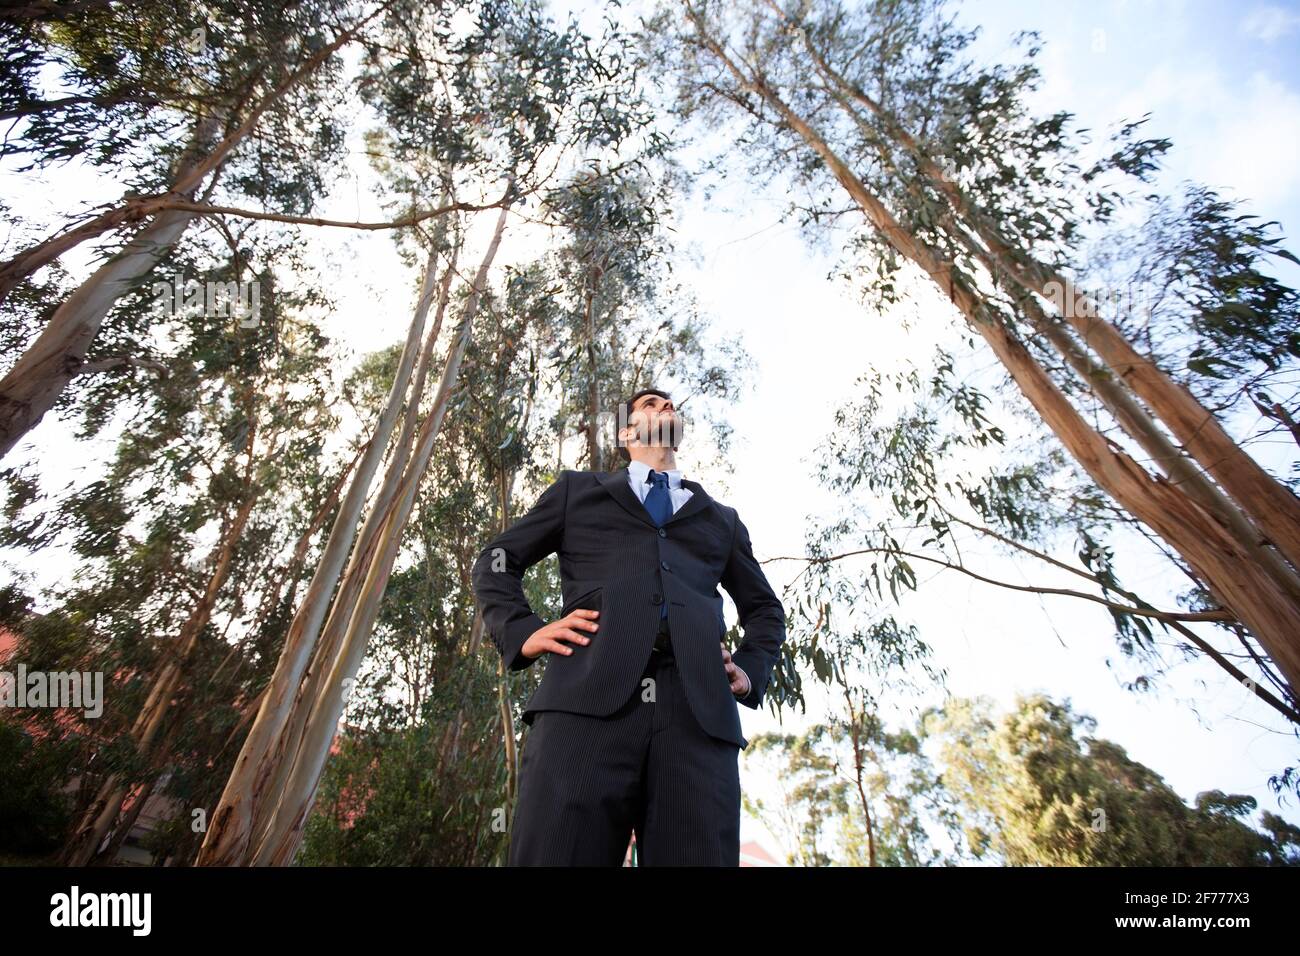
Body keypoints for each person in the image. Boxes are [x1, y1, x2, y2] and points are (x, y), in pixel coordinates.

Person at [471, 387, 786, 865]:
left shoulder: (722, 521)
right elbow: (496, 561)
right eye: (650, 405)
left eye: (670, 405)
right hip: (582, 711)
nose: (665, 408)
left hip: (697, 721)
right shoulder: (577, 491)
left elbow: (764, 610)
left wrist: (748, 668)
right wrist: (523, 629)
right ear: (625, 432)